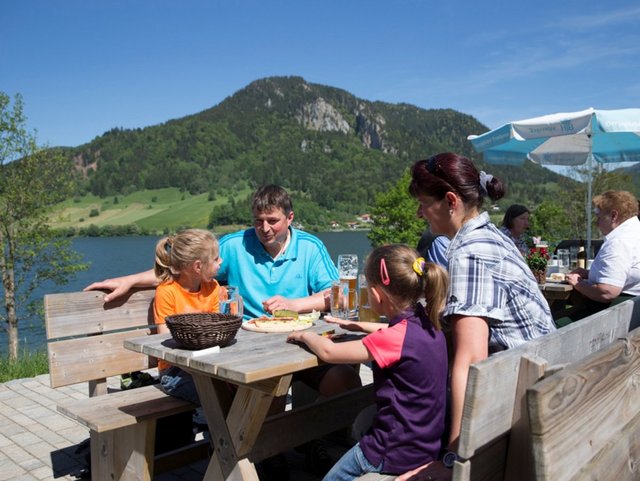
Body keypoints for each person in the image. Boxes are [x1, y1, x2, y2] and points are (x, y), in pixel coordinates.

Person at [84, 184, 360, 479]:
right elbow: (184, 267)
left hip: (299, 339)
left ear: (290, 218)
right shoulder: (234, 245)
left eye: (272, 221)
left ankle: (308, 439)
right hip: (252, 349)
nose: (264, 228)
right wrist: (129, 281)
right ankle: (272, 453)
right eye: (257, 221)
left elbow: (334, 295)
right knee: (268, 388)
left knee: (346, 383)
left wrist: (295, 303)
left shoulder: (309, 247)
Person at [408, 152, 556, 455]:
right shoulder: (491, 236)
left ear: (451, 201)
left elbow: (472, 359)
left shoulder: (469, 250)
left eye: (423, 204)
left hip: (526, 403)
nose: (419, 214)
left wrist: (455, 457)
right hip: (545, 382)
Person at [287, 244, 449, 480]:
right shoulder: (428, 323)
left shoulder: (392, 339)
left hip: (390, 449)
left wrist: (303, 334)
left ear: (375, 295)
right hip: (425, 444)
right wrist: (360, 326)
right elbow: (396, 333)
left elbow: (329, 353)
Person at [152, 228, 223, 405]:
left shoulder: (212, 287)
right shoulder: (167, 292)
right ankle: (207, 424)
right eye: (215, 259)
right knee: (216, 395)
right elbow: (166, 342)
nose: (220, 262)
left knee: (243, 387)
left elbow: (215, 330)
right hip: (175, 371)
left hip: (208, 364)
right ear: (198, 266)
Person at [565, 190, 640, 318]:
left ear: (614, 216)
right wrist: (589, 273)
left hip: (609, 316)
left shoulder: (619, 242)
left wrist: (577, 283)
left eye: (598, 216)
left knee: (548, 329)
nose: (596, 222)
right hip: (628, 311)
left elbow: (607, 292)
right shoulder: (634, 232)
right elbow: (626, 271)